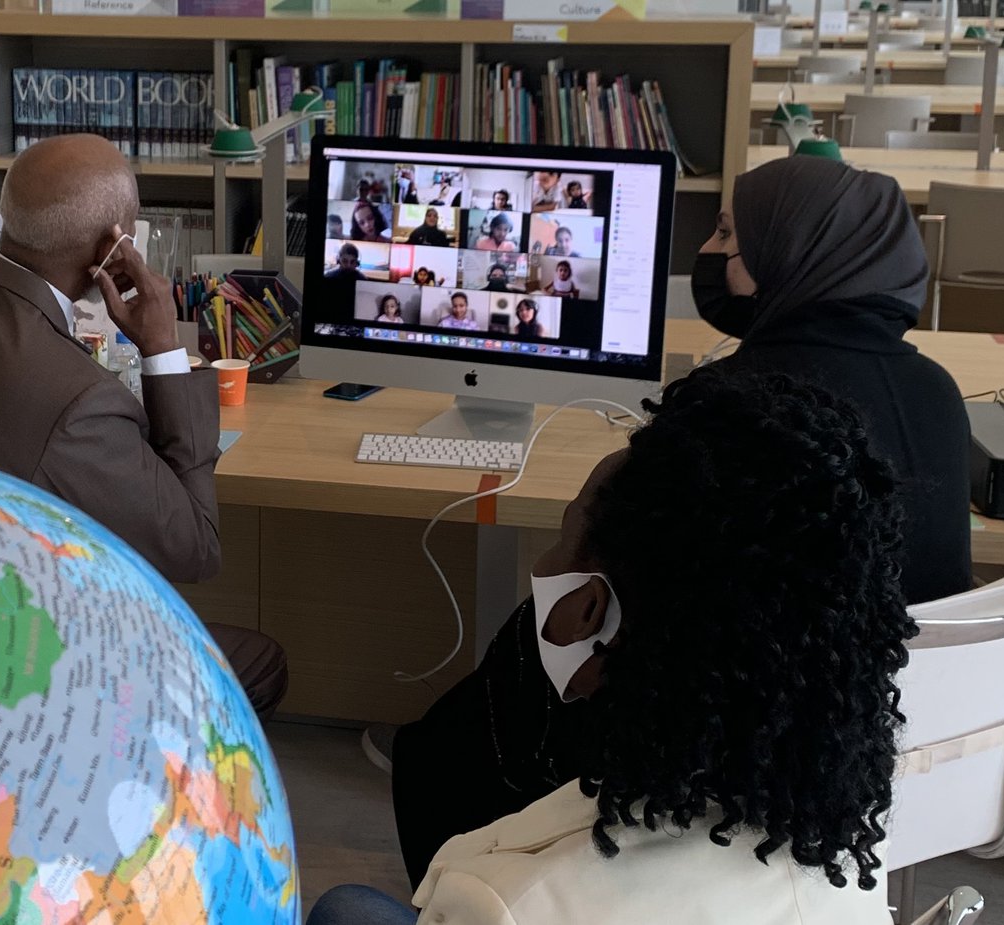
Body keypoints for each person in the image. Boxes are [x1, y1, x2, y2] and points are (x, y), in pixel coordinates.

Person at [321, 364, 911, 923]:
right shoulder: (843, 835)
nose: (548, 562)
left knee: (342, 908)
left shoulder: (507, 899)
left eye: (562, 536)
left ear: (587, 614)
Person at [0, 133, 287, 719]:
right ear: (113, 247)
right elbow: (195, 546)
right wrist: (162, 348)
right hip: (3, 661)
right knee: (260, 661)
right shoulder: (78, 402)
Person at [691, 155, 971, 605]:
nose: (708, 248)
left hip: (773, 673)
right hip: (925, 672)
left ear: (783, 252)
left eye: (726, 233)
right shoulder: (937, 390)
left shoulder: (726, 398)